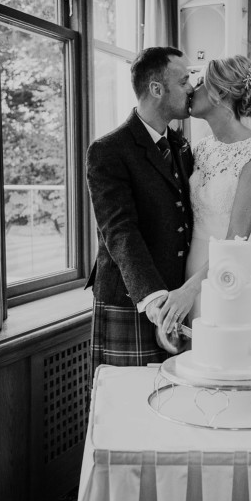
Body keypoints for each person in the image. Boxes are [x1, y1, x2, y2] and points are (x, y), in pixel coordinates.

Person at [156, 55, 251, 361]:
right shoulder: (201, 148)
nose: (192, 90)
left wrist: (190, 291)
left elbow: (235, 240)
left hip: (229, 277)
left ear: (220, 93)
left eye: (199, 83)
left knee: (230, 365)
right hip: (191, 271)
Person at [85, 46, 195, 369]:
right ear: (156, 89)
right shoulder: (107, 151)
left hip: (175, 301)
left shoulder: (181, 147)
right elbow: (120, 232)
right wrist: (155, 300)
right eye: (185, 80)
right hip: (131, 299)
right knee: (125, 412)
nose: (191, 88)